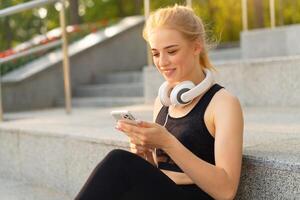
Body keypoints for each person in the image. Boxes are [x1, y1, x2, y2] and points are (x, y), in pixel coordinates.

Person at [75, 4, 243, 200]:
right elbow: (160, 171)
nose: (162, 62)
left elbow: (226, 190)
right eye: (155, 53)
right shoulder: (163, 101)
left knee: (118, 162)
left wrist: (168, 143)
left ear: (196, 46)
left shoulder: (223, 103)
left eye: (171, 51)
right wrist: (144, 153)